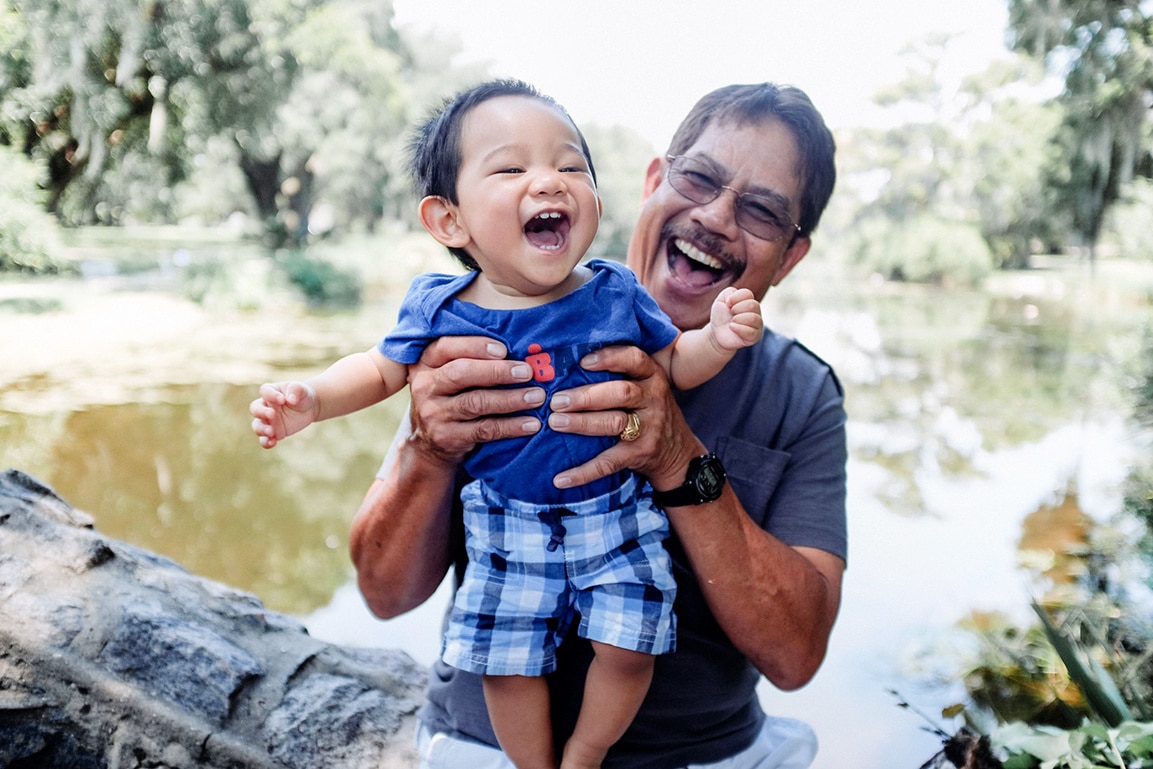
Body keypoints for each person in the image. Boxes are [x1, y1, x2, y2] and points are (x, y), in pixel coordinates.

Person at [250, 79, 765, 769]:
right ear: (448, 221)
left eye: (570, 165)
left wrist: (719, 341)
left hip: (610, 513)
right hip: (504, 521)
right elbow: (377, 369)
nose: (549, 181)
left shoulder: (613, 291)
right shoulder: (440, 308)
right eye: (511, 167)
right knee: (504, 660)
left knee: (631, 641)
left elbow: (674, 361)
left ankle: (583, 754)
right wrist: (310, 399)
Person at [350, 81, 846, 769]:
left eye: (760, 210)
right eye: (698, 177)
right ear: (653, 181)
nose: (715, 217)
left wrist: (677, 459)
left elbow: (796, 655)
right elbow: (382, 592)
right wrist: (430, 447)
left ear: (790, 257)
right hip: (482, 745)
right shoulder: (495, 317)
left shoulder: (802, 391)